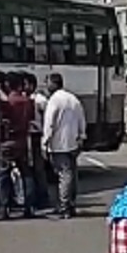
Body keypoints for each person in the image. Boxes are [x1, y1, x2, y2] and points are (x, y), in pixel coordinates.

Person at [42, 73, 86, 219]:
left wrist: (45, 142)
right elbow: (82, 120)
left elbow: (49, 124)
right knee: (72, 174)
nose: (46, 86)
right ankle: (71, 204)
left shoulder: (54, 101)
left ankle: (64, 206)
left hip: (59, 144)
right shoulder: (73, 99)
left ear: (54, 84)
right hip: (73, 142)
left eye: (47, 82)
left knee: (64, 175)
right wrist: (81, 136)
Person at [0, 72, 35, 219]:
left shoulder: (8, 101)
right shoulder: (27, 101)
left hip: (7, 141)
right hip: (22, 140)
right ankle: (29, 206)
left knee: (3, 175)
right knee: (26, 174)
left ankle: (4, 207)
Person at [23, 73, 50, 209]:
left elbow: (47, 119)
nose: (24, 87)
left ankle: (42, 197)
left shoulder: (40, 100)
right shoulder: (24, 99)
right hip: (26, 136)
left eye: (26, 84)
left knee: (38, 169)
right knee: (29, 168)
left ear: (32, 85)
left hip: (36, 136)